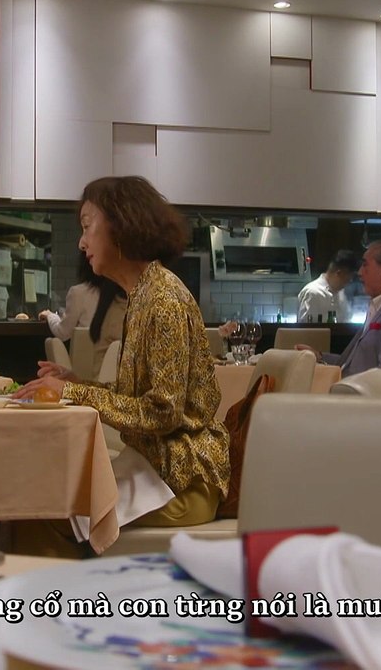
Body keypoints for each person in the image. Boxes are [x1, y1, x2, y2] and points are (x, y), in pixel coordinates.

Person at [15, 176, 229, 555]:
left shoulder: (163, 300)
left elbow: (162, 413)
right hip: (155, 469)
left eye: (87, 226)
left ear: (121, 224)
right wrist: (77, 383)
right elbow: (138, 399)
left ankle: (51, 591)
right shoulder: (143, 294)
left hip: (182, 481)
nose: (81, 242)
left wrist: (75, 392)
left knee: (44, 507)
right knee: (41, 494)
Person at [302, 241, 381, 377]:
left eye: (365, 265)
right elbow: (349, 363)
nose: (360, 273)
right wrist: (319, 356)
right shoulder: (377, 306)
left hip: (358, 389)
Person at [39, 256, 128, 378]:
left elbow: (63, 332)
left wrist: (50, 316)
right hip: (107, 379)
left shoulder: (78, 292)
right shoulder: (125, 298)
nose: (83, 245)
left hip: (86, 374)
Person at [296, 249, 359, 323]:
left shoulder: (341, 294)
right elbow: (305, 327)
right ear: (339, 273)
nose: (346, 284)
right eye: (347, 280)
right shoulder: (312, 293)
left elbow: (346, 320)